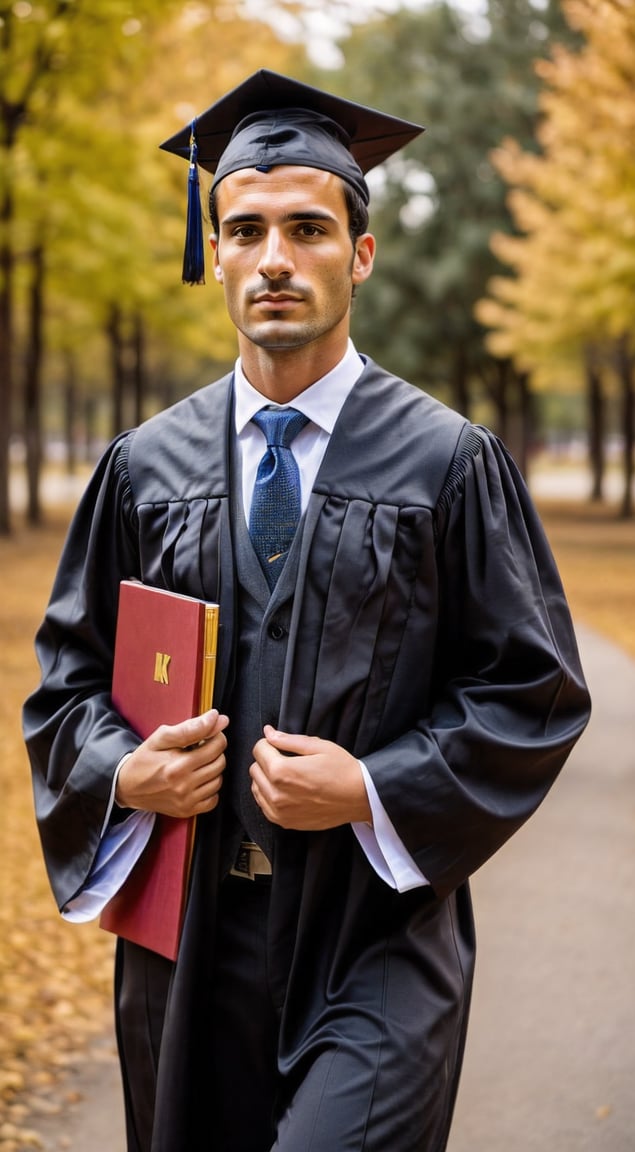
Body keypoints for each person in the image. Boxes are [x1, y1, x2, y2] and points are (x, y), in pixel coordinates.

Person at [23, 69, 590, 1152]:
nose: (274, 258)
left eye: (307, 228)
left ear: (359, 254)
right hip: (187, 942)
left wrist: (375, 787)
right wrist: (121, 772)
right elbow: (69, 682)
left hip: (372, 943)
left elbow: (533, 688)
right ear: (217, 256)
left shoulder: (447, 463)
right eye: (245, 230)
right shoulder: (145, 467)